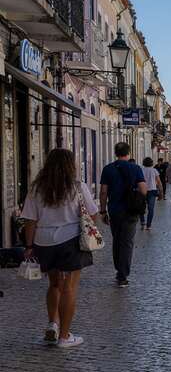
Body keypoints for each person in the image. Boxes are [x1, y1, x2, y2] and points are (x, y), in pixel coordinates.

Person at [20, 149, 98, 348]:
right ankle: (64, 336)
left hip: (44, 242)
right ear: (70, 165)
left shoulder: (36, 189)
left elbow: (30, 220)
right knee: (68, 287)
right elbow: (92, 214)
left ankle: (52, 324)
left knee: (54, 284)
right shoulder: (77, 187)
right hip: (70, 241)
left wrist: (29, 246)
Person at [99, 141, 146, 286]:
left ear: (115, 153)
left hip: (114, 210)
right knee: (127, 242)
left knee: (117, 240)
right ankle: (123, 275)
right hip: (131, 211)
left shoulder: (108, 169)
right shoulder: (136, 168)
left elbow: (103, 192)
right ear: (128, 153)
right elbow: (144, 189)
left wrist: (102, 210)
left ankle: (119, 269)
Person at [140, 157, 160, 230]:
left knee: (141, 207)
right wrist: (161, 192)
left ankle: (142, 222)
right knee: (151, 209)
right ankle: (148, 225)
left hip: (142, 190)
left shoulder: (141, 170)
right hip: (152, 191)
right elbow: (158, 181)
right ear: (151, 163)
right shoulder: (154, 170)